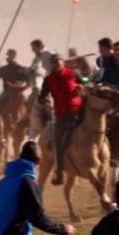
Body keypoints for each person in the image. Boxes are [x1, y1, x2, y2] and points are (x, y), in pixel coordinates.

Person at [43, 53, 82, 186]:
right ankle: (59, 172)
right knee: (58, 142)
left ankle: (109, 155)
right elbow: (42, 95)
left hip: (78, 111)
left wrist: (82, 86)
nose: (56, 64)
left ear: (62, 62)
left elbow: (86, 81)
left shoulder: (73, 74)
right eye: (53, 62)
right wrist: (44, 100)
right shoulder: (48, 79)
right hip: (62, 115)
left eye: (58, 61)